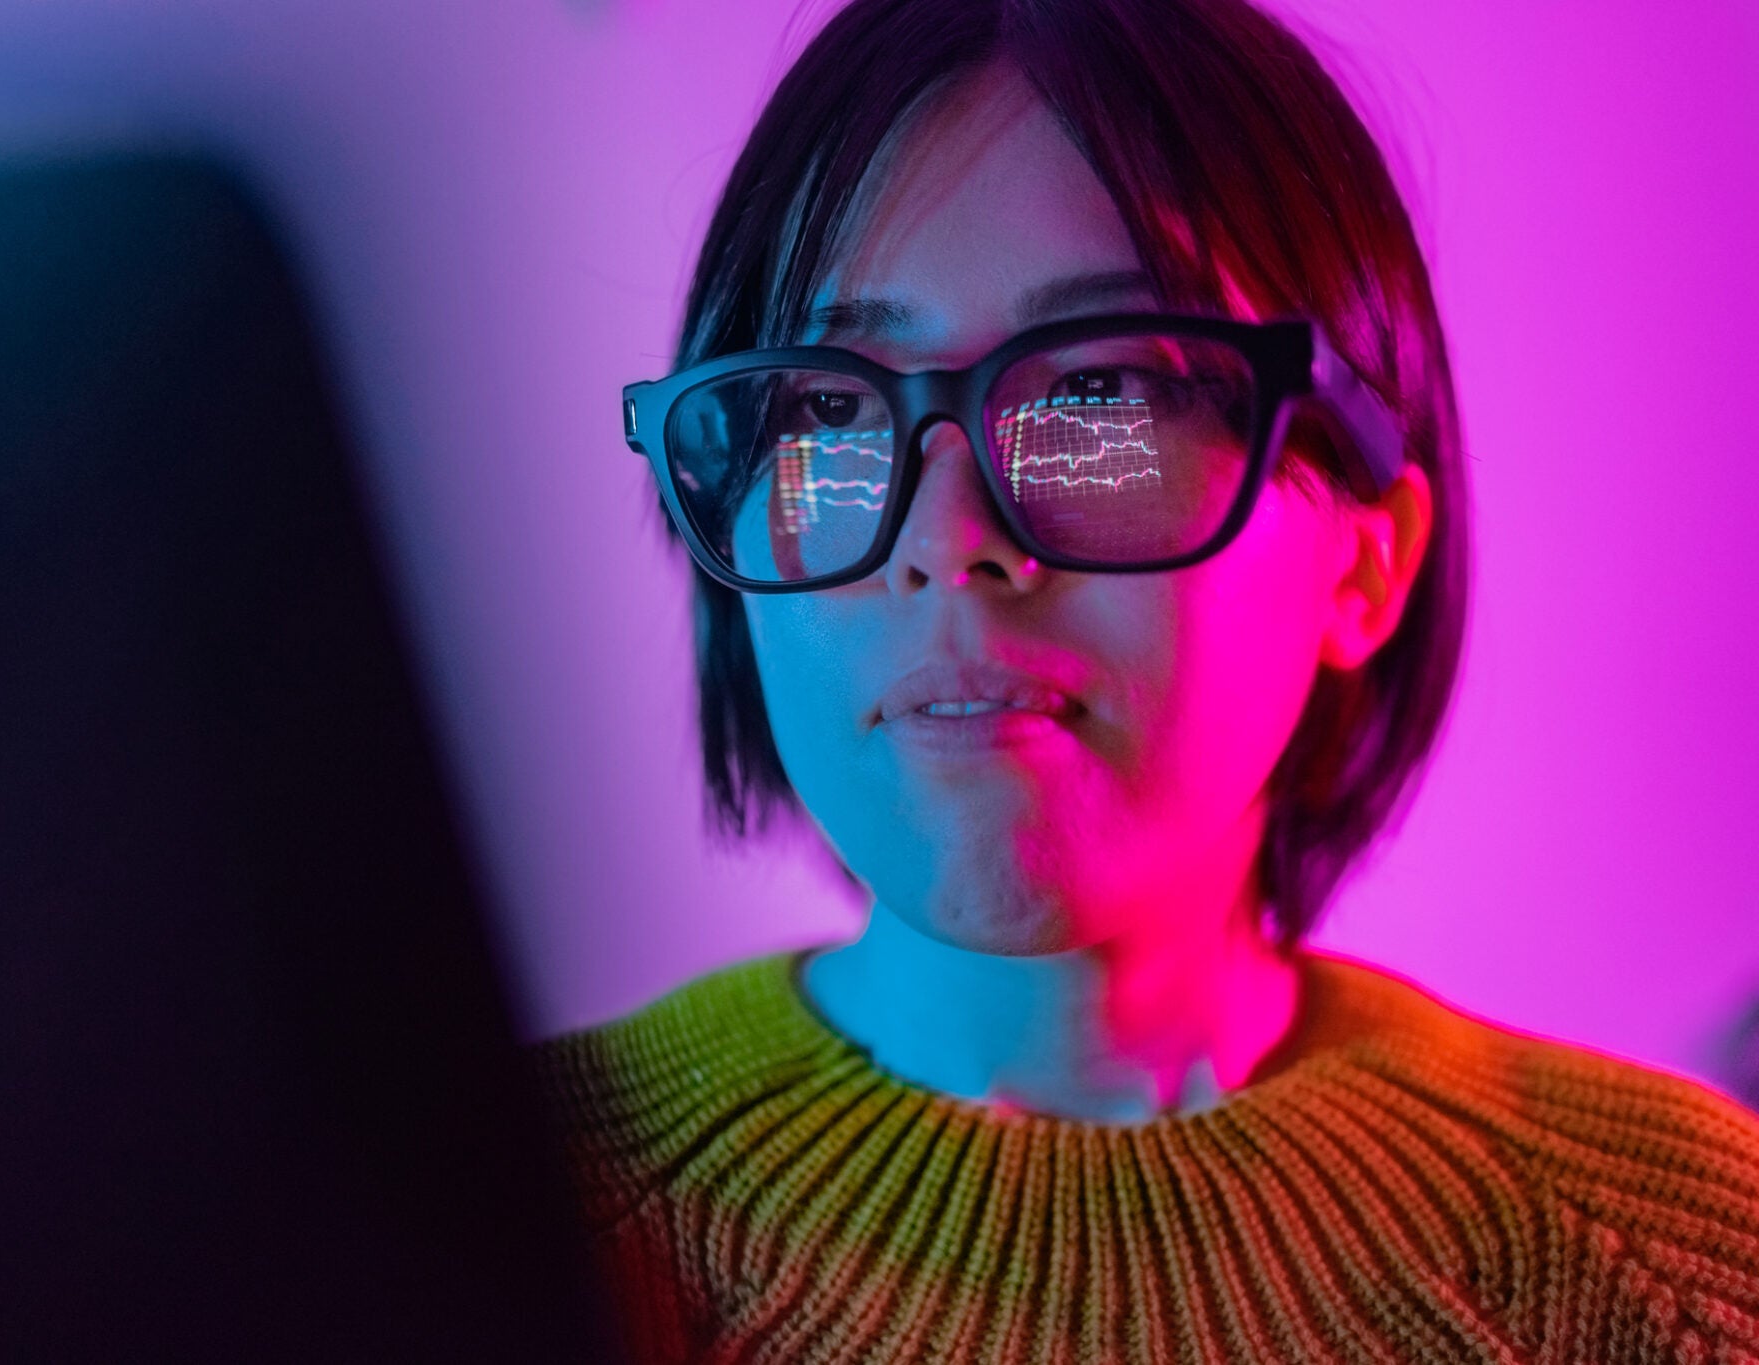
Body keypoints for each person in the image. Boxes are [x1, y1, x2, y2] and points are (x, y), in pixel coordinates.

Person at [531, 0, 1759, 1359]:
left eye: (1099, 401)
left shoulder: (1678, 1270)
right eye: (828, 410)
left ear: (1366, 558)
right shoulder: (483, 1208)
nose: (950, 543)